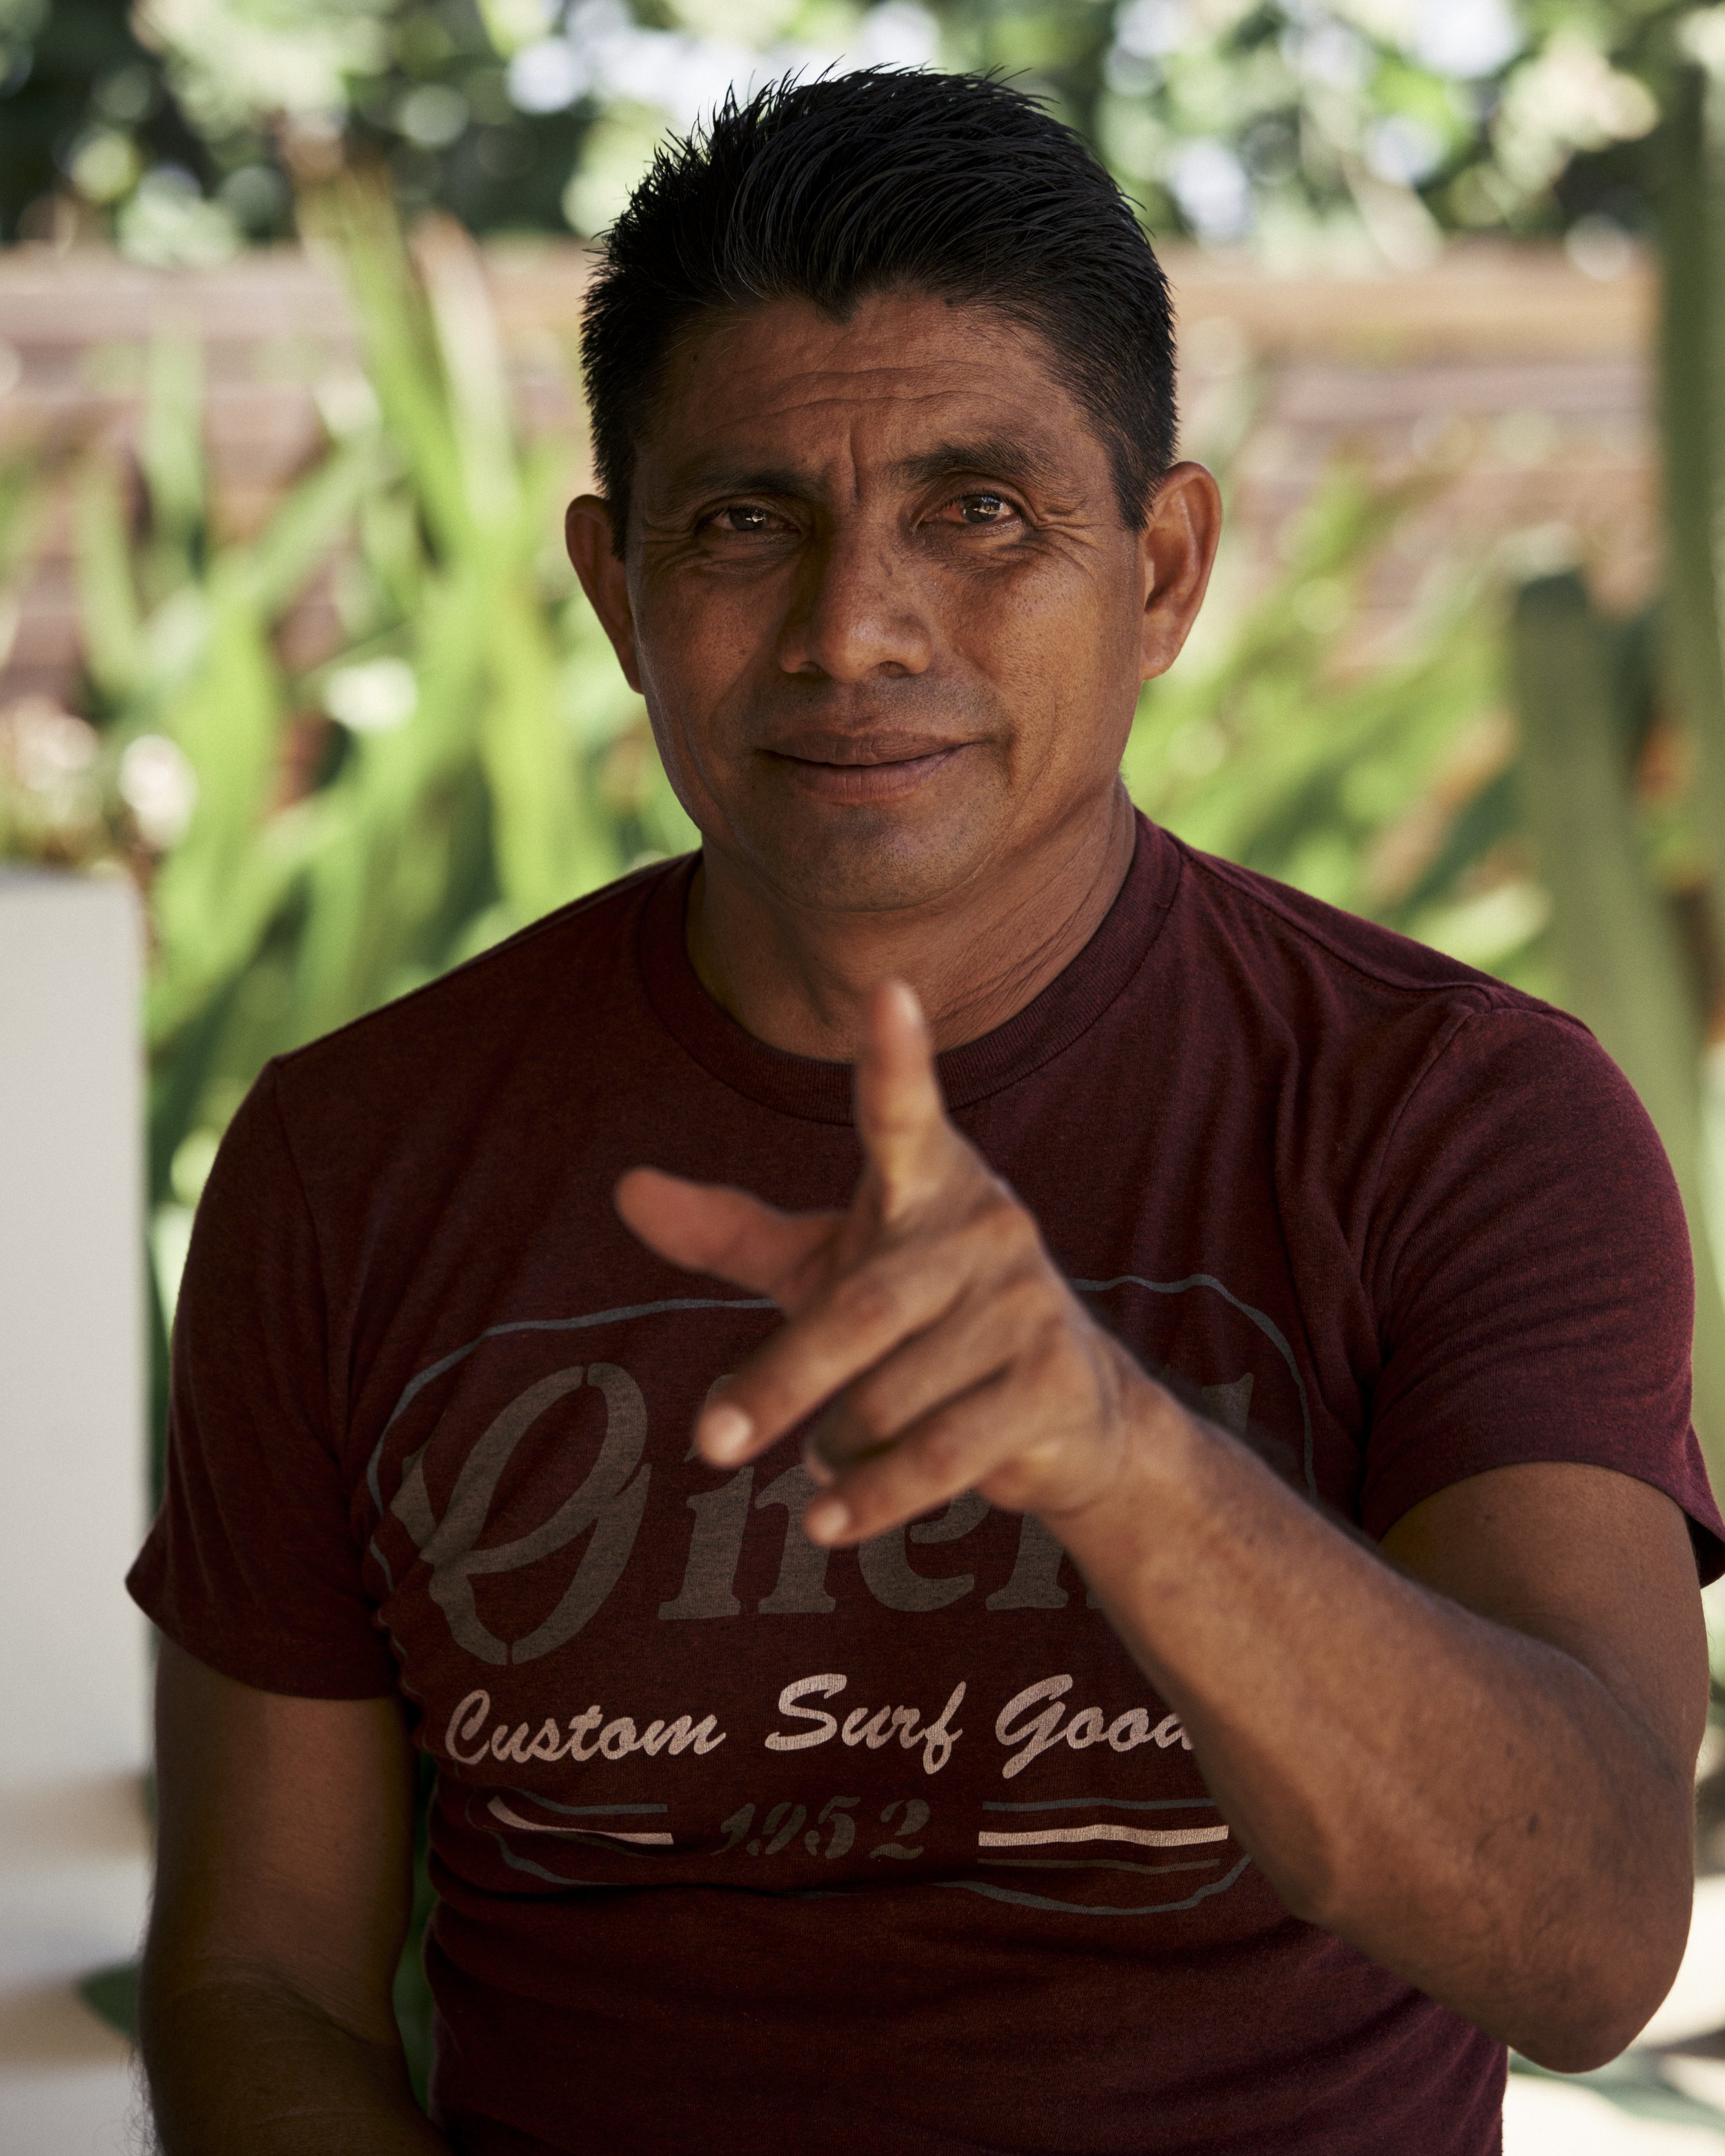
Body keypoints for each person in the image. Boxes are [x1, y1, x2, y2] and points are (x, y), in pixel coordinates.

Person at [130, 68, 1722, 2156]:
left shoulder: (1450, 1116)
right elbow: (255, 1975)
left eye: (979, 511)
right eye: (743, 520)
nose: (852, 631)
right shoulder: (354, 1160)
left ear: (1159, 570)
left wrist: (1116, 1454)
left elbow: (1589, 1940)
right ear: (618, 595)